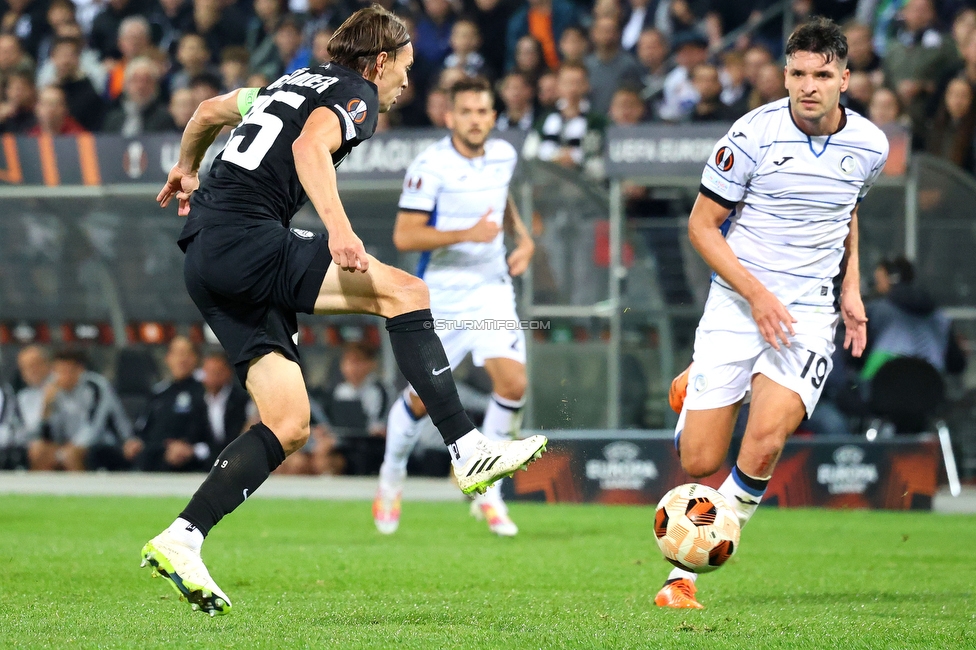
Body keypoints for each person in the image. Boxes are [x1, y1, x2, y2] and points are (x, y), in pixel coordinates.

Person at [142, 5, 547, 616]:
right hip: (248, 241)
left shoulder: (286, 82)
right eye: (404, 68)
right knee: (407, 293)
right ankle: (467, 447)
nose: (406, 82)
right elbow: (309, 148)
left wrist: (185, 167)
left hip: (203, 253)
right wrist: (339, 230)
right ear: (380, 62)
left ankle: (184, 536)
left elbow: (205, 113)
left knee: (289, 421)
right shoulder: (357, 94)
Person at [657, 17, 888, 609]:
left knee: (763, 442)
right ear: (785, 75)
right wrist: (757, 295)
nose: (809, 86)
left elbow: (847, 214)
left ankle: (683, 576)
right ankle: (693, 392)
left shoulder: (870, 146)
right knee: (699, 459)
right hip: (737, 303)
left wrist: (851, 288)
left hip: (806, 314)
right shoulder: (751, 135)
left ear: (845, 78)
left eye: (822, 75)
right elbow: (701, 227)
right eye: (798, 74)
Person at [375, 76, 535, 538]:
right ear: (450, 116)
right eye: (466, 111)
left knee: (513, 384)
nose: (476, 120)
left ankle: (488, 493)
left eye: (484, 111)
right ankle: (390, 480)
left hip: (491, 290)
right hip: (442, 294)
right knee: (423, 398)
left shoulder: (504, 155)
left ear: (493, 116)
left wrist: (522, 239)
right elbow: (405, 235)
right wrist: (469, 233)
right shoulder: (430, 167)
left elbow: (499, 197)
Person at [27, 348, 137, 472]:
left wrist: (67, 449)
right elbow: (48, 435)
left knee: (71, 455)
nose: (61, 376)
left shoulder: (96, 387)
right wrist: (46, 408)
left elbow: (94, 427)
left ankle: (81, 490)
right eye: (58, 371)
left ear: (80, 370)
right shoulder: (52, 389)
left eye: (66, 371)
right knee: (38, 451)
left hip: (107, 442)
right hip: (68, 444)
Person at [131, 336, 214, 472]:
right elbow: (142, 429)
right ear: (168, 358)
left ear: (196, 359)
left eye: (186, 353)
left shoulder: (205, 393)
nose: (181, 359)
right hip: (153, 455)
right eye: (176, 353)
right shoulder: (159, 393)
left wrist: (191, 450)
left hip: (189, 460)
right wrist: (135, 442)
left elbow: (215, 437)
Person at [200, 351, 249, 456]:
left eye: (216, 372)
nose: (211, 376)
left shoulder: (242, 400)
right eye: (208, 371)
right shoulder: (198, 400)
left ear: (228, 372)